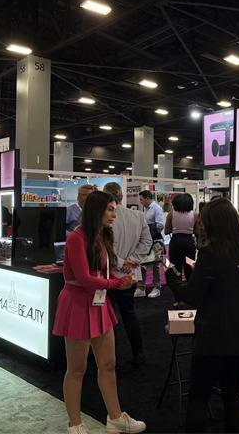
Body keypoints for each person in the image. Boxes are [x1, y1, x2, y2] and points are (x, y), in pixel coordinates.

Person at [52, 191, 145, 434]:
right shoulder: (76, 238)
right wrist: (116, 283)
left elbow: (103, 270)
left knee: (108, 364)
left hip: (98, 304)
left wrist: (120, 280)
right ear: (97, 211)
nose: (115, 214)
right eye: (111, 209)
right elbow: (84, 279)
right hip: (78, 305)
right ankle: (75, 423)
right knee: (77, 369)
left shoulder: (102, 236)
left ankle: (115, 418)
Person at [165, 197, 239, 433]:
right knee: (233, 395)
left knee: (199, 395)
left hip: (213, 335)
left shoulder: (210, 254)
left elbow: (193, 295)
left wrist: (171, 278)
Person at [103, 182, 152, 368]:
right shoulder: (137, 215)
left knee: (109, 317)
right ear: (121, 196)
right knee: (129, 314)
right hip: (130, 274)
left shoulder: (104, 217)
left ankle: (111, 357)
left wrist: (122, 262)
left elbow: (101, 248)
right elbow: (147, 242)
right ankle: (138, 354)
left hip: (108, 274)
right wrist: (131, 260)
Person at [136, 190, 165, 298]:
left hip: (155, 239)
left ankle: (156, 287)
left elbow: (160, 225)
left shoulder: (157, 209)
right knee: (142, 262)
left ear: (147, 198)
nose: (140, 202)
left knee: (156, 263)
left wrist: (150, 231)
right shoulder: (147, 209)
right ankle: (141, 288)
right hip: (146, 239)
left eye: (141, 199)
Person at [165, 193, 198, 282]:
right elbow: (196, 231)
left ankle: (177, 287)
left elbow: (166, 231)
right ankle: (190, 287)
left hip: (175, 243)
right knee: (189, 266)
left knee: (176, 268)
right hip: (189, 243)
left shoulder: (171, 214)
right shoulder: (194, 215)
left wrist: (175, 229)